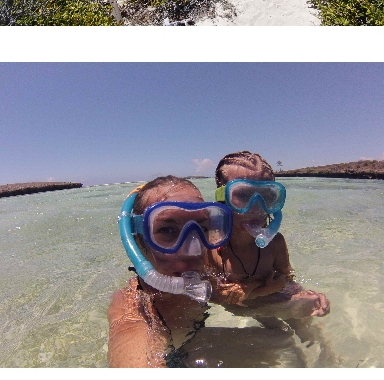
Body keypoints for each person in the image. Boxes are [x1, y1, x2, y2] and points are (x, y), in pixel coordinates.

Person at [209, 152, 338, 365]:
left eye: (267, 196)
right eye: (243, 195)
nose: (257, 207)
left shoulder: (275, 243)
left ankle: (330, 361)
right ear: (222, 197)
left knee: (306, 325)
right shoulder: (211, 245)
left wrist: (307, 296)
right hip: (242, 307)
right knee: (279, 334)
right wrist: (258, 289)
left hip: (268, 298)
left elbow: (286, 278)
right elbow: (213, 294)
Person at [107, 175, 232, 368]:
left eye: (202, 227)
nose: (193, 250)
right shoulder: (135, 311)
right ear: (137, 241)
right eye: (167, 230)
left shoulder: (207, 274)